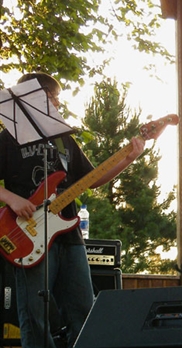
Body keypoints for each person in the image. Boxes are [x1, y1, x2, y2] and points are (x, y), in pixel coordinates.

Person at [0, 72, 146, 348]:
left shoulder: (63, 140)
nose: (57, 102)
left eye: (56, 96)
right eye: (51, 96)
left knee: (84, 311)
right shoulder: (9, 139)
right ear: (31, 98)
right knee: (34, 317)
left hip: (69, 236)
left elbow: (92, 179)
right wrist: (12, 199)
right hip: (27, 236)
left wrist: (129, 157)